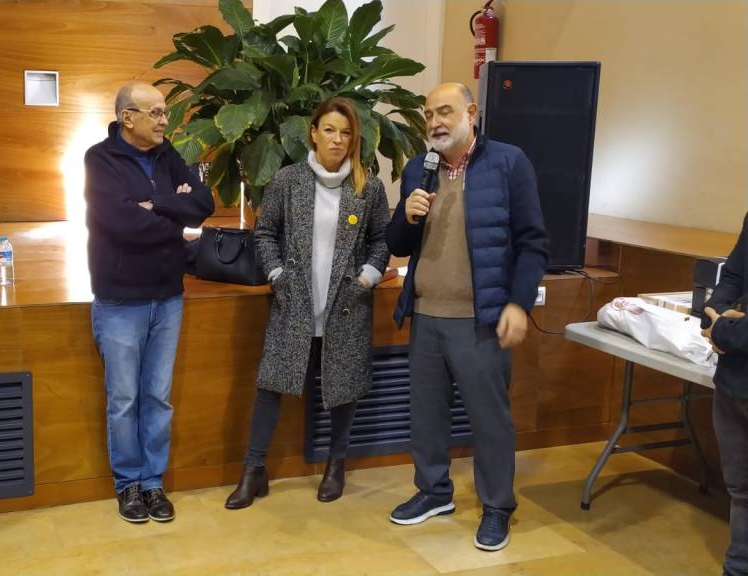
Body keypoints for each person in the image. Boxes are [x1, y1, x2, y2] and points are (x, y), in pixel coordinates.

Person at [385, 83, 549, 551]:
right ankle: (434, 492)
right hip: (425, 314)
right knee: (426, 415)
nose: (434, 122)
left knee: (489, 420)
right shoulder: (419, 168)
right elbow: (397, 244)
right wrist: (407, 215)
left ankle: (497, 506)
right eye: (428, 115)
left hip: (481, 319)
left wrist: (518, 303)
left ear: (471, 113)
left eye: (444, 112)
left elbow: (533, 242)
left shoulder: (508, 163)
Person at [224, 97, 391, 509]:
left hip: (346, 305)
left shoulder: (367, 186)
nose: (337, 139)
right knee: (270, 385)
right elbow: (265, 233)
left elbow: (381, 240)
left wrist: (367, 278)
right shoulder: (288, 180)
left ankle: (336, 465)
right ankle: (253, 470)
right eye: (329, 130)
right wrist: (277, 274)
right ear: (313, 133)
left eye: (346, 133)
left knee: (342, 389)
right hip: (294, 302)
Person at [85, 82, 214, 524]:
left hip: (168, 295)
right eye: (156, 113)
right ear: (128, 118)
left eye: (164, 113)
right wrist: (175, 221)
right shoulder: (100, 160)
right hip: (121, 298)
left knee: (158, 397)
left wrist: (155, 204)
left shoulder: (167, 154)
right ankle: (129, 484)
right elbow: (121, 224)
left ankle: (153, 481)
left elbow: (202, 202)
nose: (164, 121)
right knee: (124, 399)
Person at [701, 212, 748, 576]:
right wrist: (714, 315)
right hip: (735, 379)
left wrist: (725, 331)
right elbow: (732, 273)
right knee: (741, 490)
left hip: (734, 345)